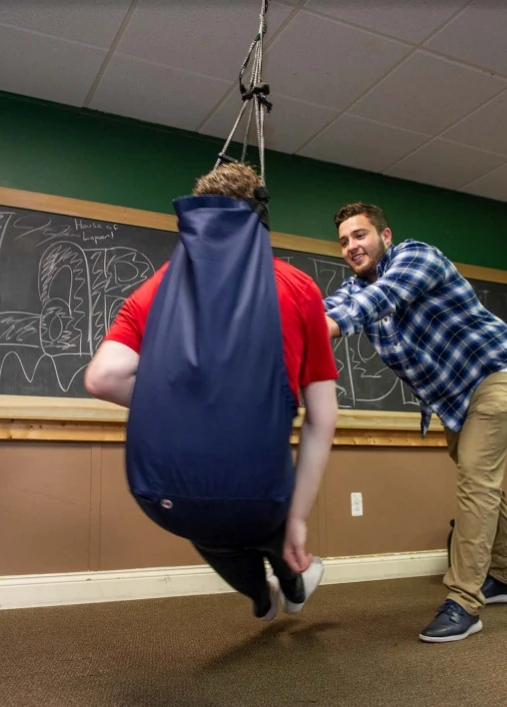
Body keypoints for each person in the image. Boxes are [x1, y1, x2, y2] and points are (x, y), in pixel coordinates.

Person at [85, 162, 339, 623]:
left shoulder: (156, 288)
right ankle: (291, 582)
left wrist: (184, 407)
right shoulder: (299, 288)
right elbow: (324, 417)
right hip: (262, 495)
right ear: (258, 222)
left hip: (163, 498)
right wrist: (299, 518)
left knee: (208, 523)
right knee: (265, 521)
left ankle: (261, 597)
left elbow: (102, 377)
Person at [323, 202, 507, 643]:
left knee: (477, 480)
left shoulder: (417, 257)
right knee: (482, 480)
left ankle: (464, 602)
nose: (351, 247)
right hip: (455, 397)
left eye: (359, 235)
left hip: (500, 374)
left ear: (385, 235)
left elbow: (380, 300)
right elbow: (325, 309)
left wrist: (325, 325)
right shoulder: (353, 288)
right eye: (344, 241)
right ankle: (505, 578)